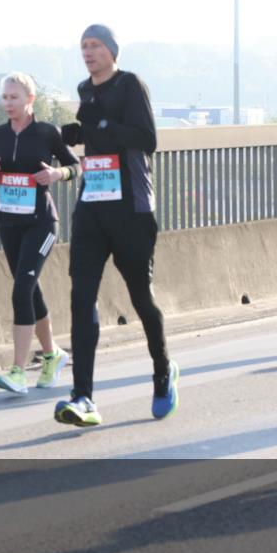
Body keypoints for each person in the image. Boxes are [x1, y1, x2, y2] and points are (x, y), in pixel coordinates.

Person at [55, 24, 179, 427]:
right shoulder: (85, 89)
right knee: (81, 297)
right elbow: (96, 140)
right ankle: (83, 396)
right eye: (83, 47)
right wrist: (78, 135)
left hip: (132, 208)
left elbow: (147, 138)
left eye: (95, 46)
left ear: (112, 51)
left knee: (141, 297)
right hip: (93, 203)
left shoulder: (130, 85)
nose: (88, 53)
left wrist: (101, 128)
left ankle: (163, 371)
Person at [0, 72, 81, 395]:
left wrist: (56, 173)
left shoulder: (47, 133)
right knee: (30, 290)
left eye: (14, 97)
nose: (8, 103)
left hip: (42, 223)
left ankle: (19, 370)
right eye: (4, 98)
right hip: (9, 224)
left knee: (21, 290)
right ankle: (52, 354)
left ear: (29, 99)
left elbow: (76, 167)